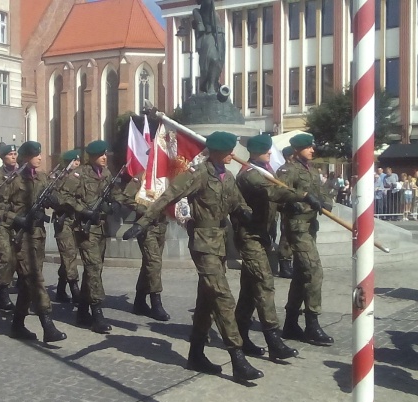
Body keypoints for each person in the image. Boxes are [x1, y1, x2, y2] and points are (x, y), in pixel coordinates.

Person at [124, 131, 264, 383]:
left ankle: (196, 354)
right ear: (219, 151)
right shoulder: (198, 174)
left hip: (220, 242)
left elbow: (237, 203)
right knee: (222, 296)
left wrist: (247, 213)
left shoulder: (228, 177)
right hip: (202, 243)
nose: (234, 153)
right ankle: (237, 358)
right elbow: (168, 195)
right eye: (230, 149)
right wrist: (143, 222)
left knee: (207, 299)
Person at [234, 134, 318, 361]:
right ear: (255, 153)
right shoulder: (250, 175)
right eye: (267, 151)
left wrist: (294, 206)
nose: (271, 154)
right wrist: (304, 196)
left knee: (250, 291)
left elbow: (275, 201)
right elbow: (272, 192)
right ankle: (273, 340)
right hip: (249, 238)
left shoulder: (263, 173)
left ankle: (240, 336)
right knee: (264, 285)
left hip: (261, 237)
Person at [0, 141, 67, 343]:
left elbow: (53, 197)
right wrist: (16, 219)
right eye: (36, 155)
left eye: (40, 154)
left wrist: (53, 200)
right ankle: (48, 325)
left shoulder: (42, 177)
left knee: (28, 283)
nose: (39, 157)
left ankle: (17, 324)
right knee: (35, 279)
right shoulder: (13, 180)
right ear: (26, 157)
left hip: (38, 235)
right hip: (20, 238)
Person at [278, 133, 336, 347]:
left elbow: (322, 191)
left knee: (302, 275)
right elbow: (279, 193)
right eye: (308, 147)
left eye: (312, 147)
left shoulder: (311, 170)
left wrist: (326, 202)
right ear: (296, 149)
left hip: (310, 227)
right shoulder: (287, 170)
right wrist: (299, 197)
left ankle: (291, 323)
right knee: (314, 272)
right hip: (296, 227)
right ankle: (312, 324)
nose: (312, 150)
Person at [55, 140, 116, 334]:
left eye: (105, 154)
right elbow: (62, 196)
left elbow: (114, 195)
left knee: (94, 271)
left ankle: (82, 311)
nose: (104, 157)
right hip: (85, 230)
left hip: (101, 229)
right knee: (93, 268)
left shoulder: (106, 174)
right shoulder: (79, 174)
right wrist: (83, 210)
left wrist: (112, 205)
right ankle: (97, 314)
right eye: (100, 155)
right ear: (91, 157)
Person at [116, 157, 171, 321]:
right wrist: (139, 207)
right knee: (154, 263)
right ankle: (156, 303)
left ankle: (139, 301)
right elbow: (124, 197)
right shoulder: (140, 177)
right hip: (144, 226)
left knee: (150, 264)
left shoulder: (164, 178)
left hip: (161, 224)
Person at [0, 143, 20, 311]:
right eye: (10, 154)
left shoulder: (21, 176)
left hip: (18, 223)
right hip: (1, 222)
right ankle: (3, 291)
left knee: (15, 259)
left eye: (15, 153)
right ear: (3, 157)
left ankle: (9, 286)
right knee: (5, 256)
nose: (14, 156)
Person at [53, 149, 82, 304]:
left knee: (69, 256)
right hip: (63, 222)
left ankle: (60, 289)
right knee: (69, 254)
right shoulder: (59, 178)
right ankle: (74, 289)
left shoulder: (80, 177)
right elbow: (58, 199)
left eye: (78, 161)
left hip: (75, 221)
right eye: (74, 161)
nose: (77, 163)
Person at [277, 146, 295, 277]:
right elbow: (283, 190)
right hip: (288, 207)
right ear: (289, 156)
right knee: (286, 237)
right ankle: (285, 264)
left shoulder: (298, 169)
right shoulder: (284, 170)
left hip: (299, 208)